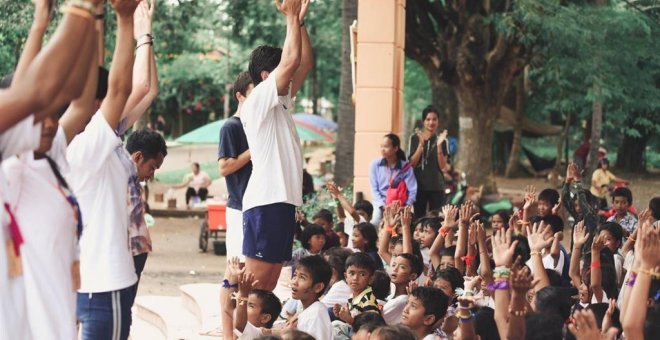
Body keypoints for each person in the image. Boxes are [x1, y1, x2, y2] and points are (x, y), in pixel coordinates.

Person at [65, 0, 145, 338]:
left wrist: (95, 15)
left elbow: (107, 82)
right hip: (103, 287)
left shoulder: (81, 143)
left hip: (93, 283)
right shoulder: (85, 148)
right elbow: (118, 88)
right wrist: (124, 20)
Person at [240, 0, 314, 291]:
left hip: (282, 203)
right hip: (266, 202)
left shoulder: (281, 102)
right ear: (265, 76)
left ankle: (257, 334)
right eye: (283, 70)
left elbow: (304, 62)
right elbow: (292, 61)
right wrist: (290, 17)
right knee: (253, 289)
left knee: (267, 287)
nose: (292, 76)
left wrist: (299, 22)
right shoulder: (259, 99)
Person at [218, 71, 254, 340]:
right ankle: (227, 330)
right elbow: (225, 167)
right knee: (235, 269)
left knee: (249, 271)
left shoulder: (258, 125)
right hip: (240, 206)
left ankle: (240, 326)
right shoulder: (231, 127)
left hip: (257, 206)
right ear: (240, 96)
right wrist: (254, 149)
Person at [125, 128, 167, 308]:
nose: (152, 174)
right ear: (138, 157)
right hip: (125, 260)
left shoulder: (135, 183)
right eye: (152, 167)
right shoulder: (120, 177)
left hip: (135, 258)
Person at [408, 106, 449, 218]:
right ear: (423, 121)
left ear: (438, 121)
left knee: (436, 218)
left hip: (436, 186)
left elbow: (443, 166)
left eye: (434, 119)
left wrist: (439, 145)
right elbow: (412, 164)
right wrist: (421, 145)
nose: (431, 122)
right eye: (428, 119)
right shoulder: (414, 139)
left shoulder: (443, 140)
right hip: (418, 185)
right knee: (419, 217)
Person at [370, 133, 417, 224]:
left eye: (386, 146)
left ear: (395, 148)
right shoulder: (375, 165)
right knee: (375, 223)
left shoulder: (406, 167)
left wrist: (406, 206)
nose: (382, 149)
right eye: (381, 146)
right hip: (381, 204)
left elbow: (412, 190)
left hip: (400, 205)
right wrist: (382, 206)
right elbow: (374, 189)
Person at [290, 255, 333, 340]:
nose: (294, 282)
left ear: (318, 287)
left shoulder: (316, 315)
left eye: (302, 277)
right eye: (295, 275)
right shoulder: (306, 307)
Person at [332, 253, 380, 325]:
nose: (355, 278)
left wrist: (349, 319)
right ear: (346, 276)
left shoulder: (368, 301)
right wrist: (343, 312)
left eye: (362, 274)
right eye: (351, 273)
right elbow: (353, 315)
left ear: (370, 279)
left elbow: (370, 326)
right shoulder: (352, 296)